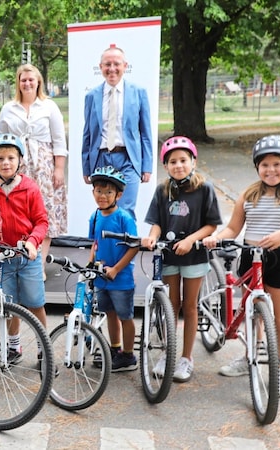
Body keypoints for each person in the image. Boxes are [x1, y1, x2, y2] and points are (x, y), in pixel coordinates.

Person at [204, 134, 280, 398]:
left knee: (279, 319)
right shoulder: (250, 192)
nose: (270, 170)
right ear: (257, 167)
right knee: (252, 313)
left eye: (277, 164)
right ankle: (249, 357)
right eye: (264, 164)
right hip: (251, 256)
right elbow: (234, 228)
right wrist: (217, 237)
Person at [141, 137, 222, 382]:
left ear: (193, 162)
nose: (178, 165)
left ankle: (186, 358)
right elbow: (157, 223)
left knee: (189, 306)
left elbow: (211, 225)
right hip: (169, 255)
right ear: (165, 166)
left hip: (195, 255)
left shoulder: (204, 189)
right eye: (172, 161)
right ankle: (168, 352)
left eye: (183, 160)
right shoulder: (162, 190)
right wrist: (152, 237)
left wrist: (190, 240)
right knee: (171, 305)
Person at [0, 133, 49, 364]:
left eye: (10, 158)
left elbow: (42, 221)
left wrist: (33, 241)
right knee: (9, 305)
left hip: (27, 257)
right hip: (1, 258)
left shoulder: (30, 188)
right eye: (0, 158)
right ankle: (14, 348)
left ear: (20, 161)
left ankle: (43, 349)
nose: (6, 162)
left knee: (35, 304)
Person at [0, 64, 67, 269]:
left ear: (38, 82)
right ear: (18, 83)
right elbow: (0, 139)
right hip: (17, 165)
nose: (27, 83)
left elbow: (59, 140)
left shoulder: (49, 106)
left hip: (44, 165)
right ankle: (18, 258)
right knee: (19, 211)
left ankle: (39, 265)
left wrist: (59, 169)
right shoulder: (8, 108)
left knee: (43, 212)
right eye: (23, 79)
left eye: (31, 79)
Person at [82, 45, 154, 218]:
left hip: (128, 160)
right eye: (107, 64)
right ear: (101, 67)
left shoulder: (139, 93)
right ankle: (106, 245)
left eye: (116, 64)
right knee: (105, 210)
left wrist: (147, 166)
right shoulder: (92, 96)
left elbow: (145, 132)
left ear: (125, 66)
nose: (112, 69)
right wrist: (86, 167)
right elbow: (87, 134)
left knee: (126, 211)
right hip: (101, 159)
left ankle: (127, 245)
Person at [87, 166, 139, 372]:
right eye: (99, 191)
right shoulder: (95, 216)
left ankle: (128, 355)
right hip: (101, 277)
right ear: (93, 193)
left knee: (125, 316)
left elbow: (134, 247)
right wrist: (90, 265)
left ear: (118, 194)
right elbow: (94, 243)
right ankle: (115, 349)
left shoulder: (124, 218)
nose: (103, 196)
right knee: (109, 313)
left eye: (108, 192)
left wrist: (116, 269)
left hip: (121, 278)